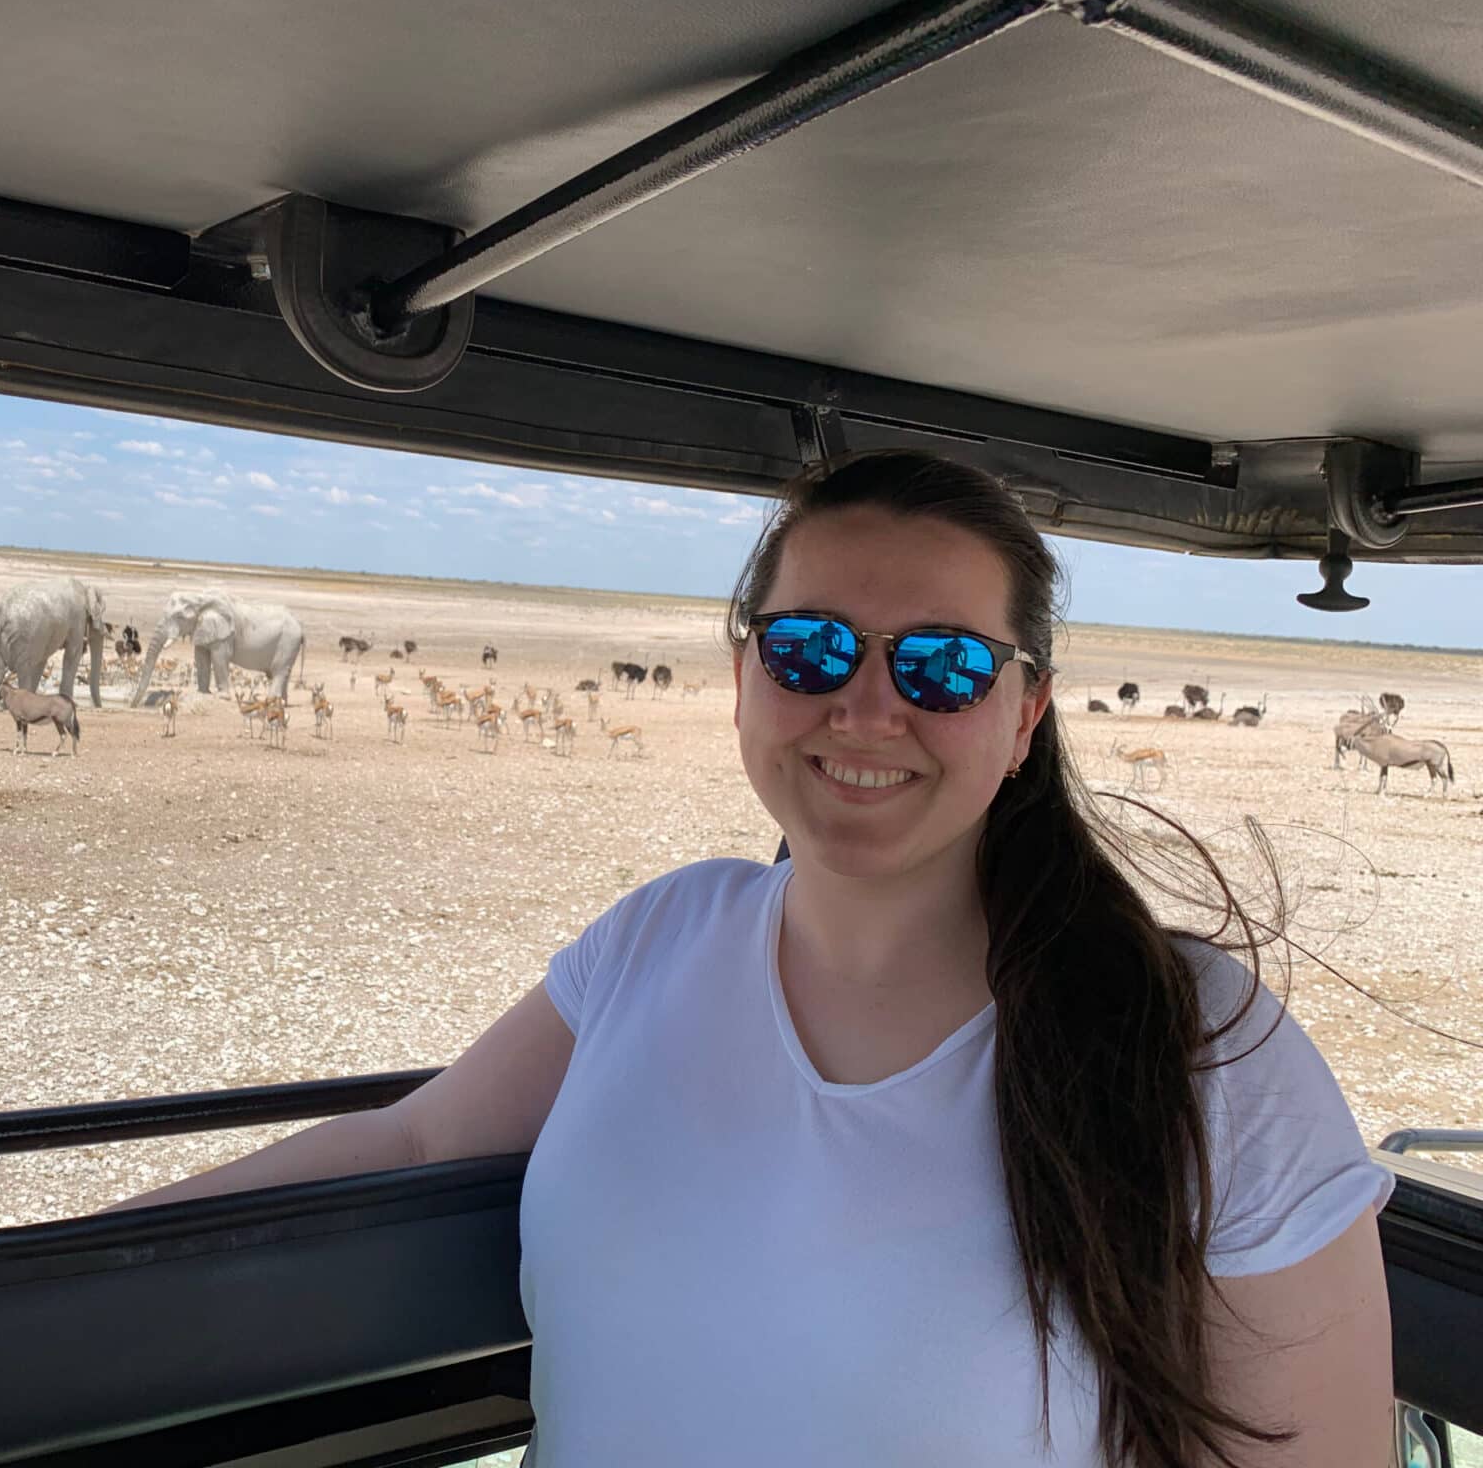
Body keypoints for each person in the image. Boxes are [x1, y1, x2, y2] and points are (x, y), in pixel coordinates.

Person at [116, 450, 1393, 1466]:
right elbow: (413, 1140)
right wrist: (50, 1275)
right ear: (744, 676)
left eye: (943, 666)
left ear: (1022, 718)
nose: (865, 708)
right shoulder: (658, 935)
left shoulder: (1196, 1048)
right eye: (808, 649)